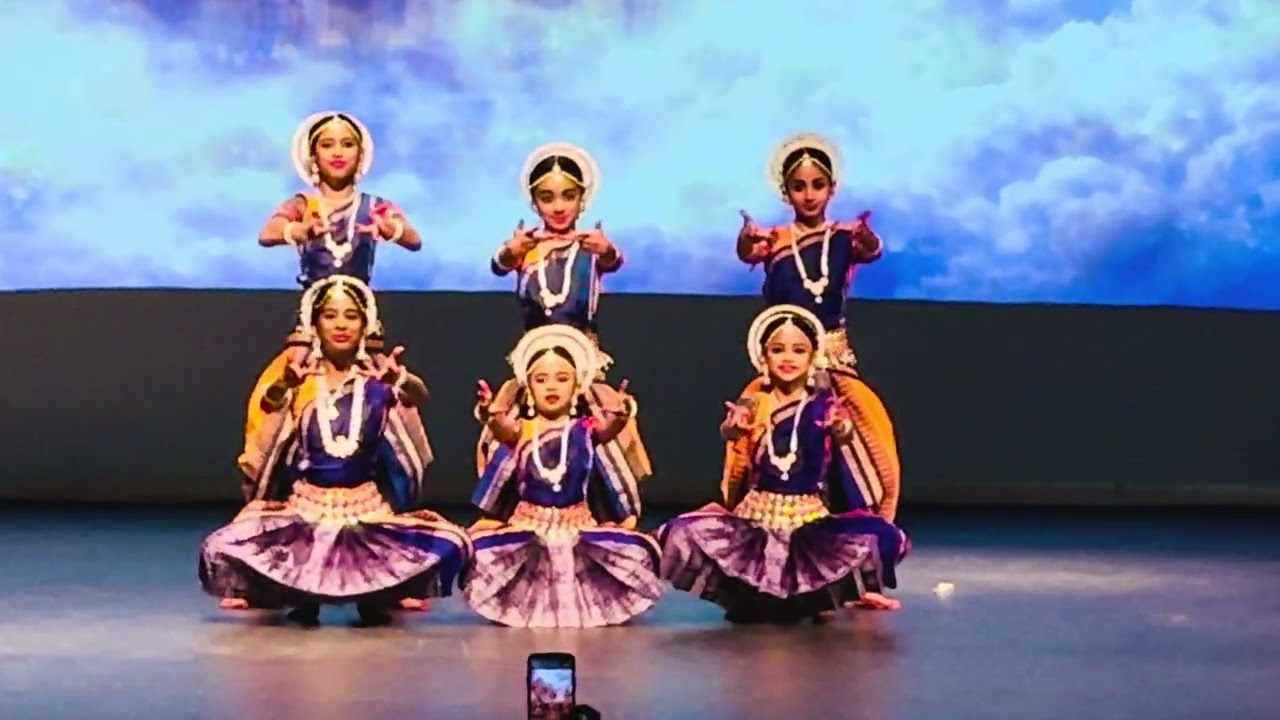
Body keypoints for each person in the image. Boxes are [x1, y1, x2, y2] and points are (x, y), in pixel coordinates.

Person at [199, 275, 470, 627]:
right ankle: (303, 596)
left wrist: (398, 379)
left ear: (365, 325)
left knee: (452, 542)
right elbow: (270, 406)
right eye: (330, 315)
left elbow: (417, 396)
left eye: (351, 316)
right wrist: (286, 384)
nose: (341, 324)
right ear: (314, 324)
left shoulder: (376, 383)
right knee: (224, 545)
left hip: (365, 508)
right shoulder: (302, 381)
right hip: (309, 506)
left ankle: (374, 596)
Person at [657, 305, 909, 623]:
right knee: (682, 531)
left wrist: (838, 427)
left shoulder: (823, 404)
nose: (788, 357)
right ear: (764, 357)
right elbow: (732, 428)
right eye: (778, 350)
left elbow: (843, 435)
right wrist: (734, 427)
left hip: (807, 518)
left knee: (879, 535)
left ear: (813, 356)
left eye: (798, 350)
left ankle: (815, 600)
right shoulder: (757, 398)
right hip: (757, 516)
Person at [735, 132, 903, 524]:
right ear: (785, 192)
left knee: (856, 439)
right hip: (784, 361)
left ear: (832, 188)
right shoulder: (775, 239)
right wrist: (746, 240)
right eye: (799, 187)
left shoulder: (844, 236)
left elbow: (872, 250)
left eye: (817, 186)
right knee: (765, 439)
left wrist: (867, 236)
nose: (809, 195)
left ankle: (854, 529)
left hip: (832, 359)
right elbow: (748, 252)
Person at [478, 141, 651, 520]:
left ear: (582, 200)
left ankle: (609, 516)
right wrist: (510, 251)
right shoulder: (527, 249)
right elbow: (497, 264)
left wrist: (606, 249)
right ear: (534, 203)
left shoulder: (590, 248)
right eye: (547, 197)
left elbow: (614, 260)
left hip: (583, 363)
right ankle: (512, 512)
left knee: (598, 431)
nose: (558, 206)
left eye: (568, 196)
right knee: (510, 433)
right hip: (536, 363)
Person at [462, 324, 662, 628]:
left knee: (635, 551)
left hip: (576, 526)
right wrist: (493, 415)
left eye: (562, 378)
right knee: (477, 551)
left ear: (577, 385)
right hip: (529, 528)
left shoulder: (585, 430)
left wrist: (620, 416)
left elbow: (609, 431)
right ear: (528, 388)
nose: (551, 386)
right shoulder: (524, 430)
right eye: (541, 379)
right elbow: (503, 431)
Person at [246, 111, 422, 440]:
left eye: (347, 144)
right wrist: (300, 229)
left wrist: (391, 228)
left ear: (360, 155)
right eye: (328, 145)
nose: (338, 152)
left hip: (360, 321)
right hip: (313, 322)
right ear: (314, 156)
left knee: (384, 396)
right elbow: (267, 233)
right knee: (289, 387)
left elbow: (414, 240)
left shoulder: (373, 206)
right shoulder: (304, 204)